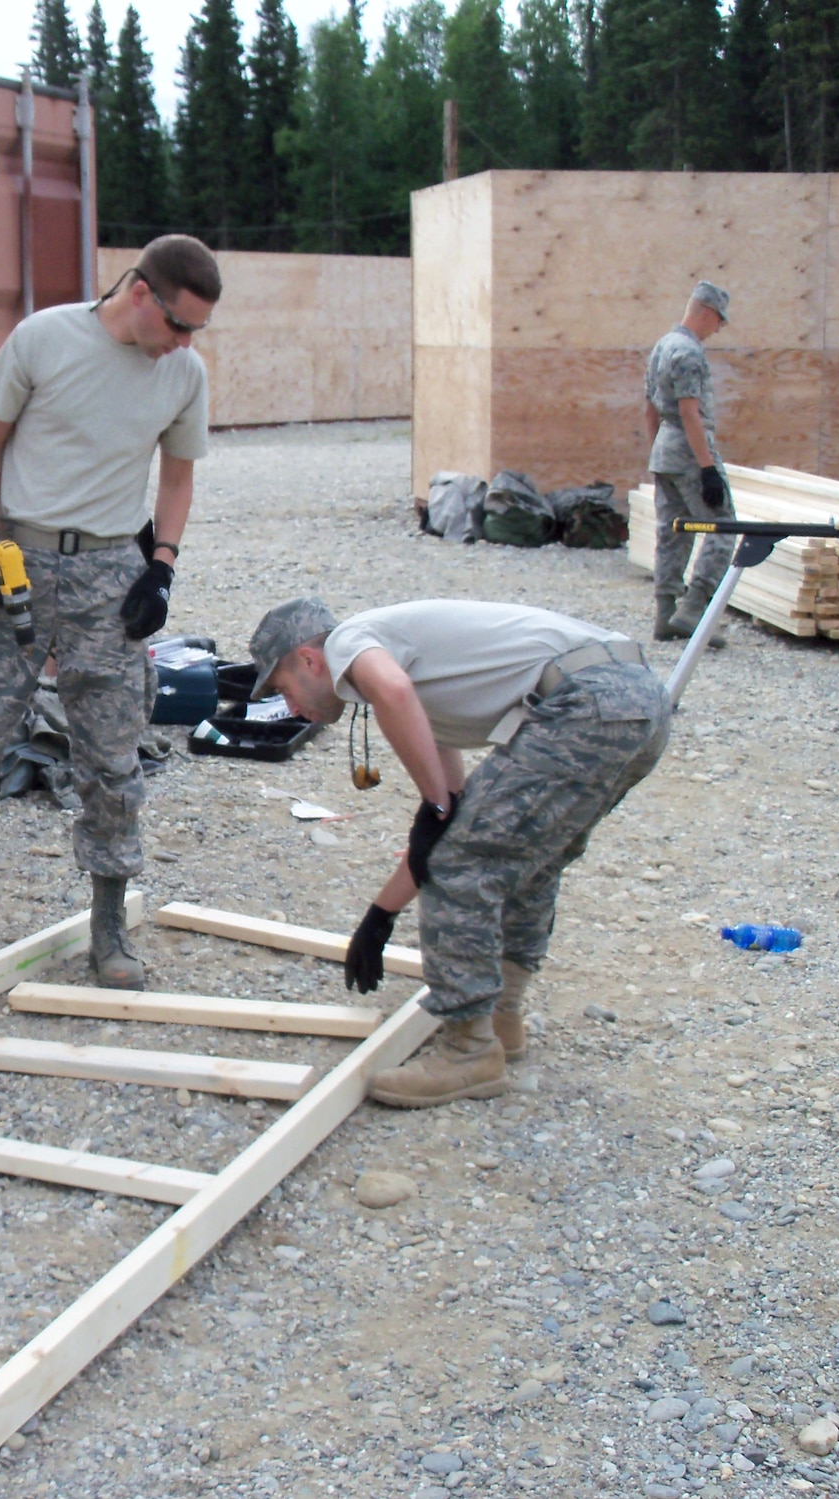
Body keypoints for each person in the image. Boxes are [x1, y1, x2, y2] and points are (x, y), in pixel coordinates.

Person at [0, 234, 221, 990]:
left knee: (112, 760)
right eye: (179, 324)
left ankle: (110, 923)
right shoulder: (45, 338)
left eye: (197, 333)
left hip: (110, 575)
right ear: (142, 293)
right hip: (20, 564)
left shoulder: (183, 373)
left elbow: (177, 480)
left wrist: (162, 570)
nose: (185, 343)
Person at [248, 599, 670, 1108]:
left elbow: (397, 699)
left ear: (309, 660)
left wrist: (432, 802)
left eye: (281, 687)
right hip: (634, 700)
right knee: (520, 859)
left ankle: (469, 1053)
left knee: (466, 866)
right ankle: (500, 1020)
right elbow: (451, 830)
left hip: (586, 704)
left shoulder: (348, 644)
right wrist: (381, 915)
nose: (289, 706)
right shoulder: (417, 680)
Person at [644, 280, 736, 646]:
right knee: (724, 526)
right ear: (708, 313)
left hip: (665, 450)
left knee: (673, 531)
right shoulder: (689, 353)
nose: (719, 329)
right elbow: (689, 412)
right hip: (689, 449)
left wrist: (658, 454)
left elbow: (650, 408)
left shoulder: (662, 346)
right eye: (720, 321)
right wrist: (707, 468)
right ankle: (694, 609)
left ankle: (666, 614)